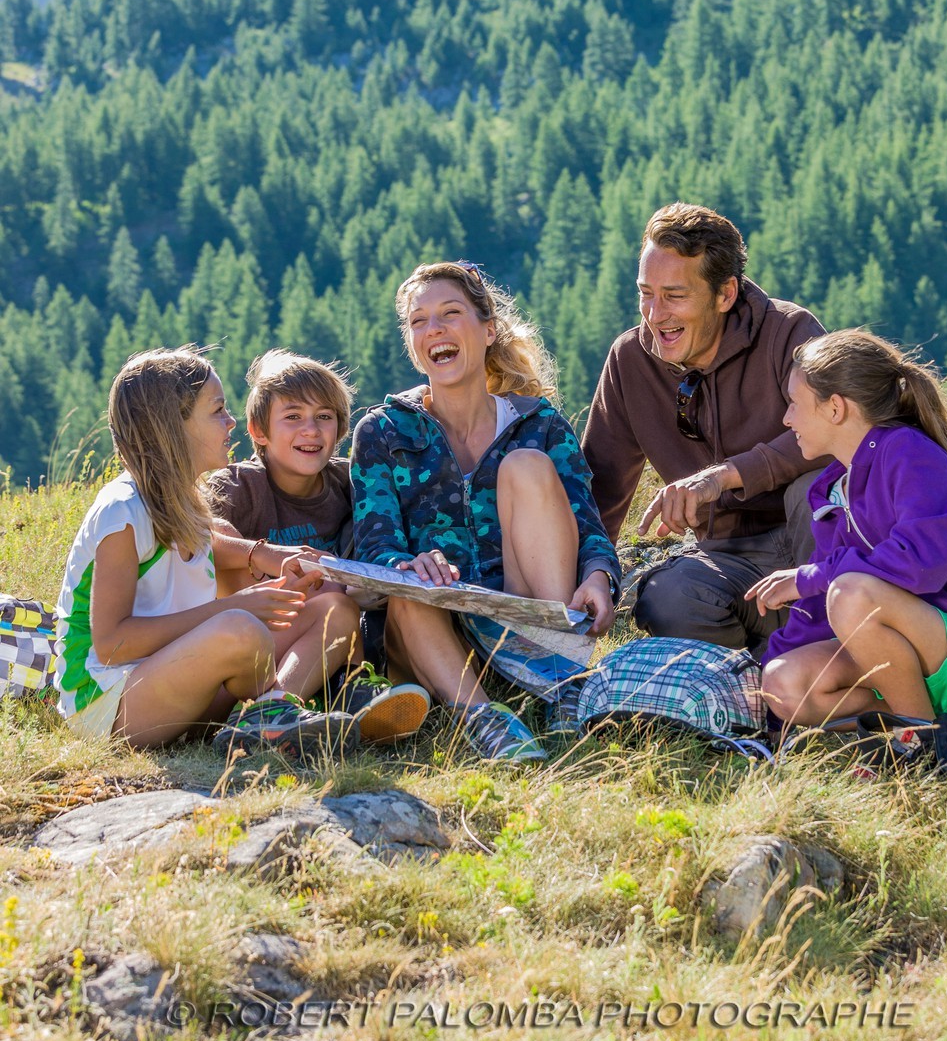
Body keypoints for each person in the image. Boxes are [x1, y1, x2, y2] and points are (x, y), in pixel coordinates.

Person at [54, 348, 421, 759]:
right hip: (112, 704)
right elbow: (112, 645)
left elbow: (211, 545)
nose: (231, 423)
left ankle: (267, 713)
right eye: (217, 411)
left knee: (336, 610)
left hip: (179, 680)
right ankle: (272, 712)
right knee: (240, 628)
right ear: (173, 426)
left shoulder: (182, 498)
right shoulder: (121, 510)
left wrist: (265, 556)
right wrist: (239, 606)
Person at [350, 261, 620, 762]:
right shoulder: (384, 431)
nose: (434, 330)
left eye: (450, 314)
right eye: (418, 321)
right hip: (432, 635)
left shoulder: (538, 424)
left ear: (488, 329)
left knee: (528, 466)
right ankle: (486, 723)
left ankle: (561, 682)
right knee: (410, 587)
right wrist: (406, 565)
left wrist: (600, 575)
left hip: (524, 616)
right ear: (412, 344)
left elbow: (589, 527)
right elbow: (374, 546)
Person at [749, 330, 947, 728]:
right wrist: (765, 700)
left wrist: (812, 578)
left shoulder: (911, 455)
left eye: (795, 404)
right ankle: (920, 719)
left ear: (835, 408)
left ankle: (918, 740)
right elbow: (816, 607)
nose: (786, 418)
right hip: (895, 657)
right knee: (782, 683)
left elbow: (918, 565)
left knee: (849, 593)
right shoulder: (830, 489)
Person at [582, 202, 824, 654]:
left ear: (725, 294)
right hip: (727, 558)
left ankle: (836, 658)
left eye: (674, 296)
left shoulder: (789, 333)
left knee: (814, 491)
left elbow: (835, 437)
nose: (655, 314)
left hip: (816, 548)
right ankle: (756, 679)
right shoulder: (632, 360)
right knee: (667, 600)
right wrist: (591, 573)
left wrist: (724, 476)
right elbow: (600, 487)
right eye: (645, 293)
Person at [208, 349, 429, 733]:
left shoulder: (350, 482)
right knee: (335, 603)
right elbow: (197, 540)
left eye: (324, 417)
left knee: (343, 603)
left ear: (341, 430)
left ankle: (341, 699)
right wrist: (266, 556)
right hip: (252, 642)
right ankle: (275, 713)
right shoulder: (237, 486)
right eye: (293, 417)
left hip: (324, 641)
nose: (311, 430)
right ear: (259, 431)